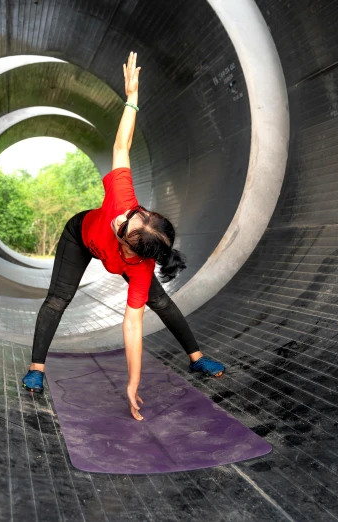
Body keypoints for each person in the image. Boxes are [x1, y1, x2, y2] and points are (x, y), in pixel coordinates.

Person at [22, 52, 225, 421]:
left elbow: (132, 325)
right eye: (129, 220)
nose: (119, 221)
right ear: (143, 215)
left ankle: (196, 358)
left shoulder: (141, 267)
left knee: (159, 304)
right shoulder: (123, 201)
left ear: (134, 251)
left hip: (128, 264)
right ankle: (37, 369)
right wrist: (132, 97)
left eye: (123, 230)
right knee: (58, 299)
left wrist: (133, 383)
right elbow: (121, 146)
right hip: (78, 236)